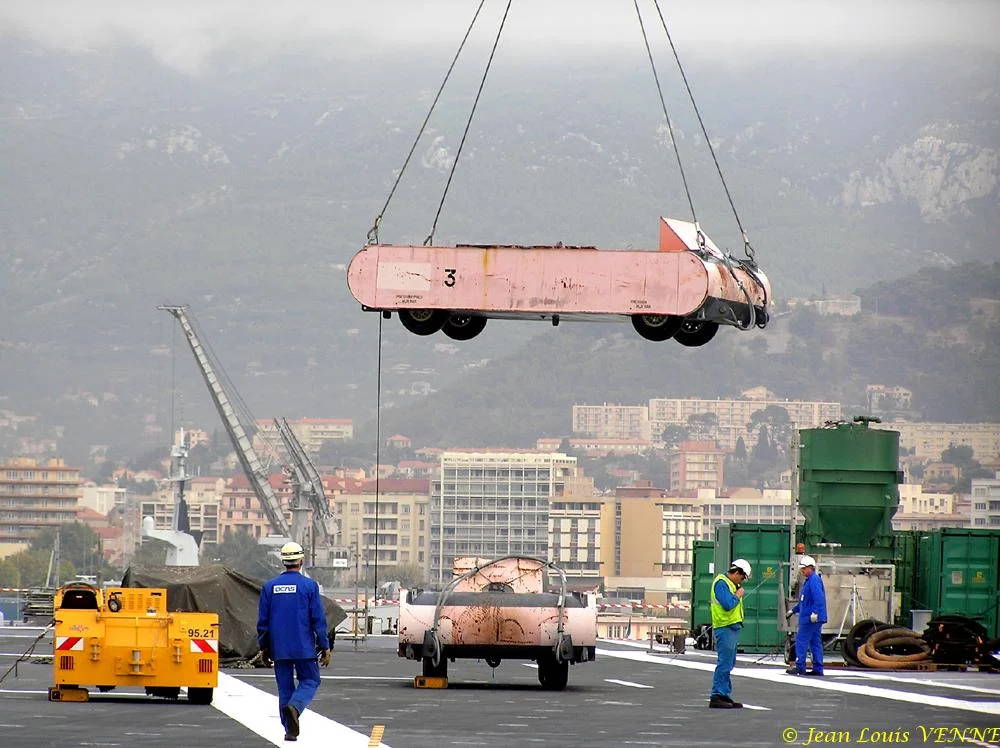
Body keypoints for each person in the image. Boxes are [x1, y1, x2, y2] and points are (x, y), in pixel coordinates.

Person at [257, 541, 332, 742]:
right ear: (301, 560)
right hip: (304, 647)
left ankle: (290, 730)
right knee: (311, 680)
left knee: (285, 688)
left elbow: (263, 622)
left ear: (283, 561)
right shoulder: (309, 586)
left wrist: (264, 647)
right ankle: (296, 707)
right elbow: (318, 619)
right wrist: (324, 646)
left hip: (279, 648)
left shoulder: (269, 587)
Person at [709, 558, 751, 709]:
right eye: (742, 577)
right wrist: (738, 595)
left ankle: (724, 694)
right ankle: (717, 695)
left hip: (731, 628)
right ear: (737, 572)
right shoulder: (721, 583)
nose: (742, 581)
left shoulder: (730, 584)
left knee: (729, 663)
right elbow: (728, 605)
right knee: (724, 663)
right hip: (724, 627)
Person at [786, 555, 827, 676]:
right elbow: (805, 601)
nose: (802, 571)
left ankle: (800, 666)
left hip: (810, 619)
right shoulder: (810, 581)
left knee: (801, 641)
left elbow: (818, 598)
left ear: (810, 567)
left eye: (804, 568)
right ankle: (818, 668)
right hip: (813, 618)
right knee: (815, 643)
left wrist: (815, 613)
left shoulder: (813, 580)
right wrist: (793, 610)